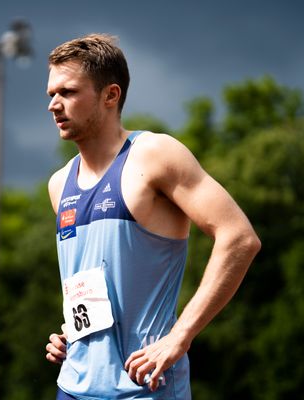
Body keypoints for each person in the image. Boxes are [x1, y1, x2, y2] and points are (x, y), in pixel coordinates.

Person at [43, 33, 261, 399]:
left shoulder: (155, 155)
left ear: (110, 95)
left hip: (145, 385)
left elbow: (239, 238)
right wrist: (73, 334)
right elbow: (96, 283)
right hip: (74, 386)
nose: (54, 105)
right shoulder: (59, 183)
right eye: (51, 94)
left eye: (68, 92)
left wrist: (180, 337)